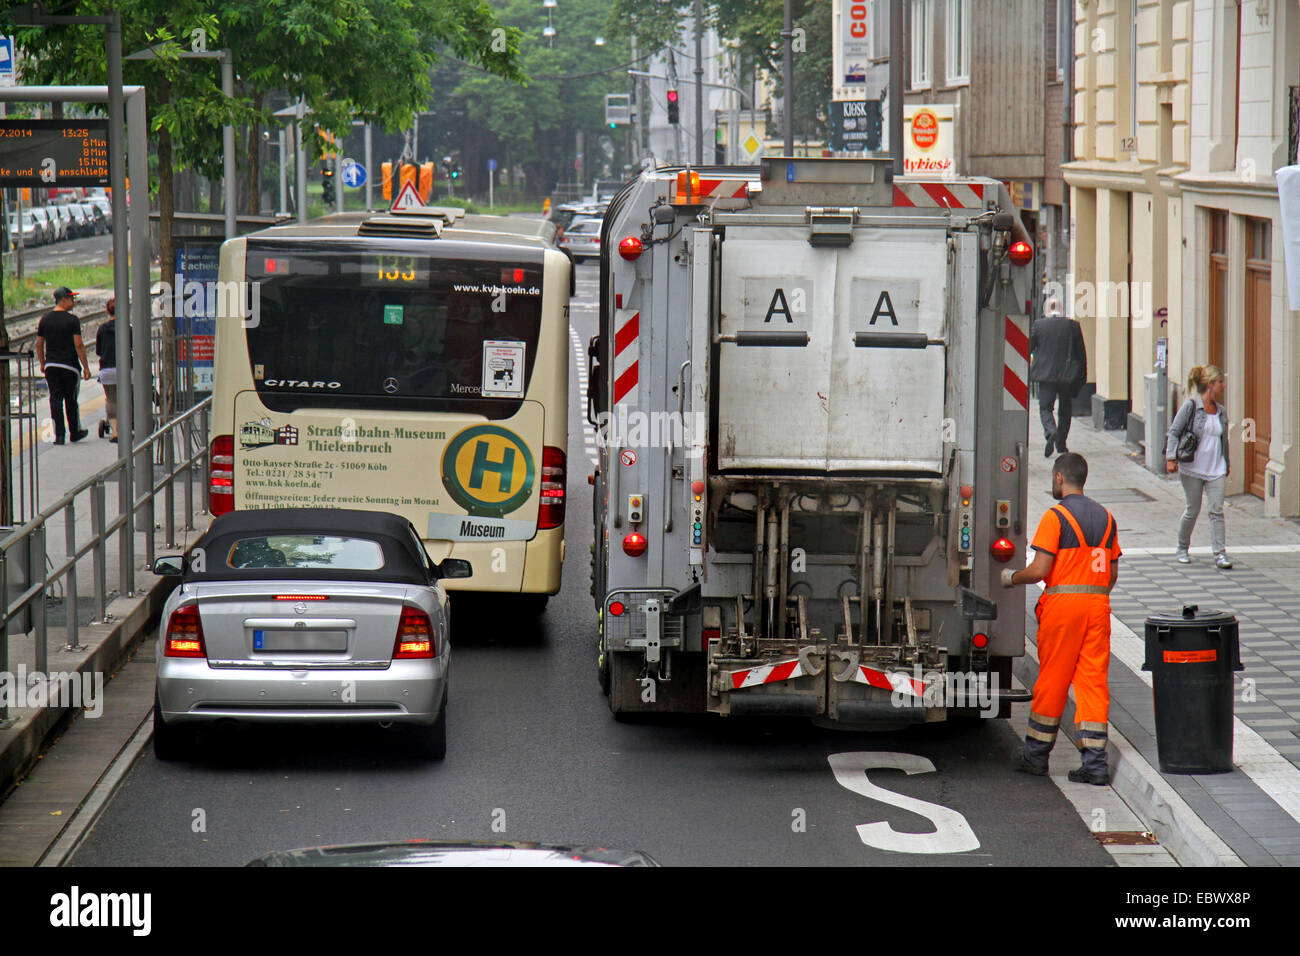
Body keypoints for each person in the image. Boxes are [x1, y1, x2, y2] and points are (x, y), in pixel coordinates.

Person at [1003, 453, 1120, 785]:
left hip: (1063, 610)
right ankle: (1096, 764)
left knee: (1053, 680)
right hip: (1098, 608)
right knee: (1092, 683)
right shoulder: (1107, 518)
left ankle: (1036, 755)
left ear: (1059, 478)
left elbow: (1040, 570)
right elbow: (1112, 573)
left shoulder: (1056, 517)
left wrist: (1012, 578)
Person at [1165, 365, 1231, 569]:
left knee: (1216, 511)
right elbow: (1174, 431)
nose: (1223, 385)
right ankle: (1182, 547)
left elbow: (1224, 441)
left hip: (1216, 469)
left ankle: (1219, 554)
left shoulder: (1221, 412)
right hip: (1192, 468)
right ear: (1210, 384)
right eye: (1220, 382)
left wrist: (1226, 463)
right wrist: (1171, 457)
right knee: (1192, 509)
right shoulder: (1191, 406)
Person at [1028, 298, 1087, 458]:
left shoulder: (1039, 325)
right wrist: (1082, 376)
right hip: (1067, 376)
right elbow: (1081, 353)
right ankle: (1061, 443)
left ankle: (1050, 431)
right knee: (1065, 410)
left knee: (1045, 407)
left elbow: (1029, 347)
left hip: (1046, 375)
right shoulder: (1072, 326)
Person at [35, 286, 92, 445]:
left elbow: (39, 344)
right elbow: (79, 345)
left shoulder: (44, 319)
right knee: (71, 400)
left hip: (51, 366)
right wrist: (85, 367)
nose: (73, 301)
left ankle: (59, 435)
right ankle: (75, 432)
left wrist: (42, 363)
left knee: (55, 400)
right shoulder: (72, 320)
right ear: (64, 299)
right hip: (70, 366)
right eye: (71, 298)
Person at [96, 297, 119, 443]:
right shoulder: (129, 328)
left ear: (107, 311)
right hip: (128, 370)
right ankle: (128, 426)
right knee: (128, 398)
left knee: (111, 400)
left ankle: (116, 432)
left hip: (107, 370)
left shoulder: (102, 329)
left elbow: (98, 351)